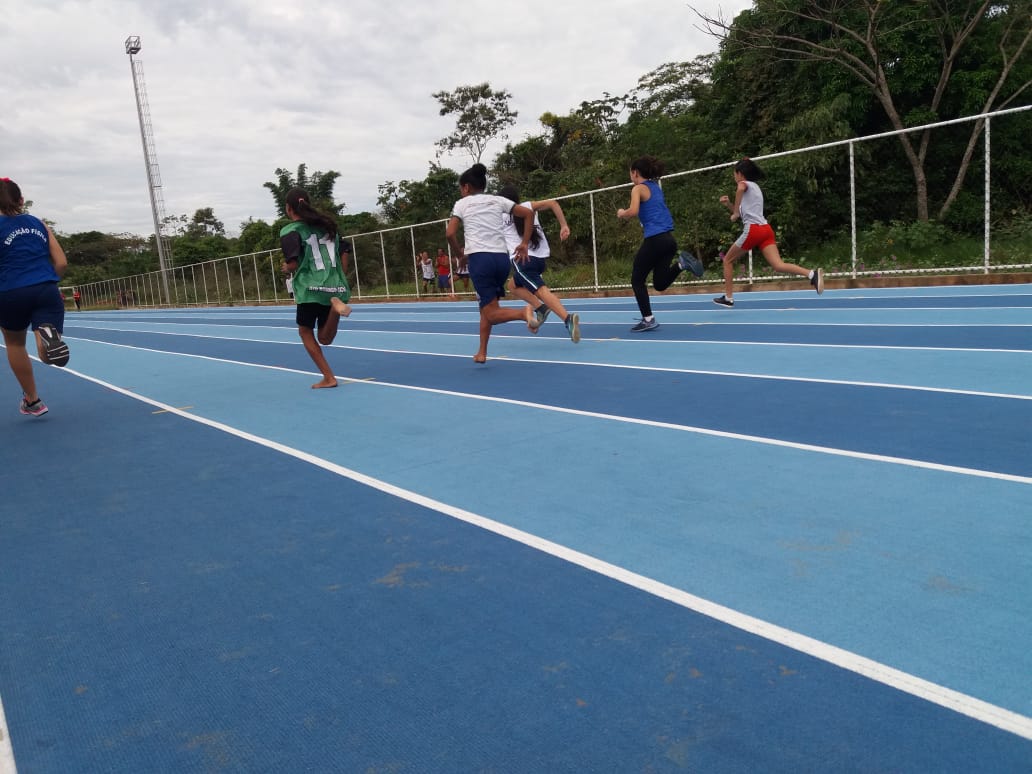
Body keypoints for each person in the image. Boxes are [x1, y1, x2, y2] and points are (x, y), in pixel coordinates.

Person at [445, 163, 541, 363]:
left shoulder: (462, 204)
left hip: (480, 260)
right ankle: (482, 352)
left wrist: (460, 255)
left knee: (492, 314)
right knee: (486, 308)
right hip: (501, 259)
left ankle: (524, 313)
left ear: (466, 188)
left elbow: (450, 233)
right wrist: (524, 243)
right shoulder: (498, 200)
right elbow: (528, 213)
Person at [0, 177, 70, 417]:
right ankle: (46, 338)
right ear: (21, 199)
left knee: (15, 343)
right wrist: (49, 282)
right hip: (45, 288)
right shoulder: (39, 224)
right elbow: (61, 262)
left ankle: (33, 400)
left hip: (10, 292)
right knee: (45, 348)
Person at [713, 157, 823, 307]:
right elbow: (741, 213)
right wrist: (729, 206)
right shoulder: (755, 188)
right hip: (765, 230)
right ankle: (812, 274)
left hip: (754, 230)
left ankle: (728, 297)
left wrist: (736, 213)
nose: (734, 177)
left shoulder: (743, 185)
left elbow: (739, 192)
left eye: (734, 174)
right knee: (778, 265)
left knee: (727, 260)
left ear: (740, 174)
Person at [616, 156, 702, 331]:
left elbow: (633, 211)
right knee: (660, 284)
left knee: (637, 280)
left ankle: (648, 319)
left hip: (655, 240)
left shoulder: (638, 188)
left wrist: (621, 213)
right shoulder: (655, 188)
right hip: (669, 241)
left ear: (635, 173)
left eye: (630, 172)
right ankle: (681, 264)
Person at [279, 187, 352, 389]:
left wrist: (287, 267)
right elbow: (345, 250)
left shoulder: (290, 230)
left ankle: (329, 377)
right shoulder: (328, 228)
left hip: (311, 288)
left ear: (288, 208)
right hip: (335, 285)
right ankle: (335, 309)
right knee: (324, 338)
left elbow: (293, 264)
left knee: (305, 331)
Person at [498, 184, 580, 343]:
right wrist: (564, 225)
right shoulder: (527, 206)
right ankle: (540, 308)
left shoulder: (501, 217)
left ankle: (567, 319)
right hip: (540, 260)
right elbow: (553, 203)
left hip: (523, 260)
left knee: (541, 291)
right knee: (513, 286)